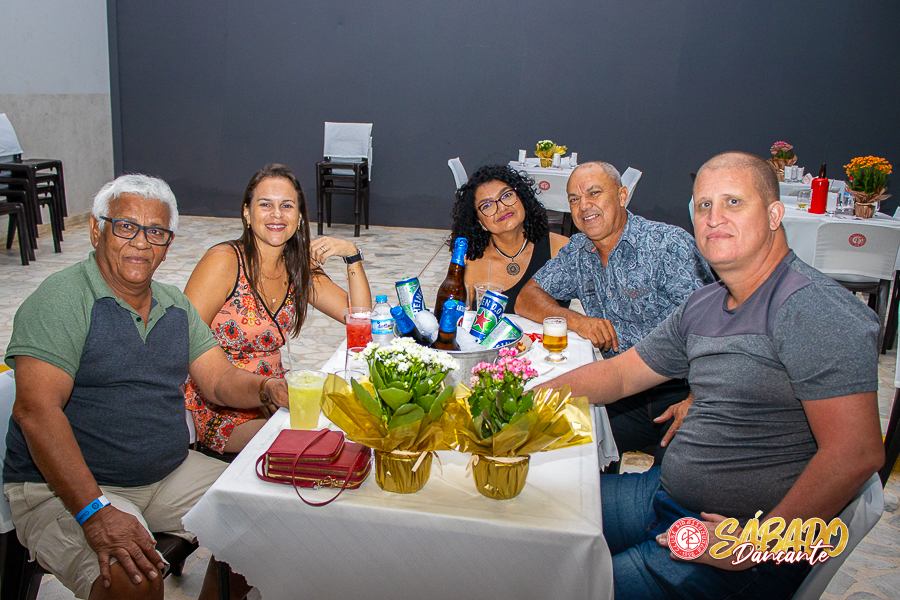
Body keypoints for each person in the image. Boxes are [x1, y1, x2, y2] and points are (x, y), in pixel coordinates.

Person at [539, 152, 884, 599]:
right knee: (536, 512)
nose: (714, 218)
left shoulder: (813, 307)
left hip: (739, 538)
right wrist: (525, 395)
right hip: (665, 497)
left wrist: (755, 545)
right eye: (704, 205)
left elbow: (856, 454)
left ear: (775, 214)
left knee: (566, 590)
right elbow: (620, 376)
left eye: (733, 202)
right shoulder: (705, 304)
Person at [2, 174, 284, 600]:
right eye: (125, 226)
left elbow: (220, 379)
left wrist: (268, 388)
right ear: (96, 230)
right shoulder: (62, 299)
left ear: (168, 246)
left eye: (156, 232)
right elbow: (35, 411)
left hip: (166, 474)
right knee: (133, 577)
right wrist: (95, 511)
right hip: (67, 486)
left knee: (267, 516)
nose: (140, 242)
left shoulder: (174, 305)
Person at [516, 161, 714, 463]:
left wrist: (697, 399)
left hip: (680, 389)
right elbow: (526, 298)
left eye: (594, 193)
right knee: (555, 452)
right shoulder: (578, 251)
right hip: (619, 392)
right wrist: (579, 321)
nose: (584, 206)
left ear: (622, 195)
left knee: (677, 482)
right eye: (574, 199)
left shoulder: (667, 245)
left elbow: (713, 328)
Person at [183, 163, 371, 455]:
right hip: (220, 401)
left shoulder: (297, 267)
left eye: (286, 205)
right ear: (247, 213)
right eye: (265, 204)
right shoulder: (224, 261)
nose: (277, 214)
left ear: (299, 217)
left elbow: (360, 318)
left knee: (350, 424)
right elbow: (182, 340)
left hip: (275, 395)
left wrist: (352, 256)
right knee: (307, 444)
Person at [450, 164, 568, 312]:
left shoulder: (561, 249)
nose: (502, 207)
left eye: (506, 195)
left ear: (522, 199)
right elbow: (457, 318)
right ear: (481, 223)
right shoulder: (471, 264)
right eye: (487, 205)